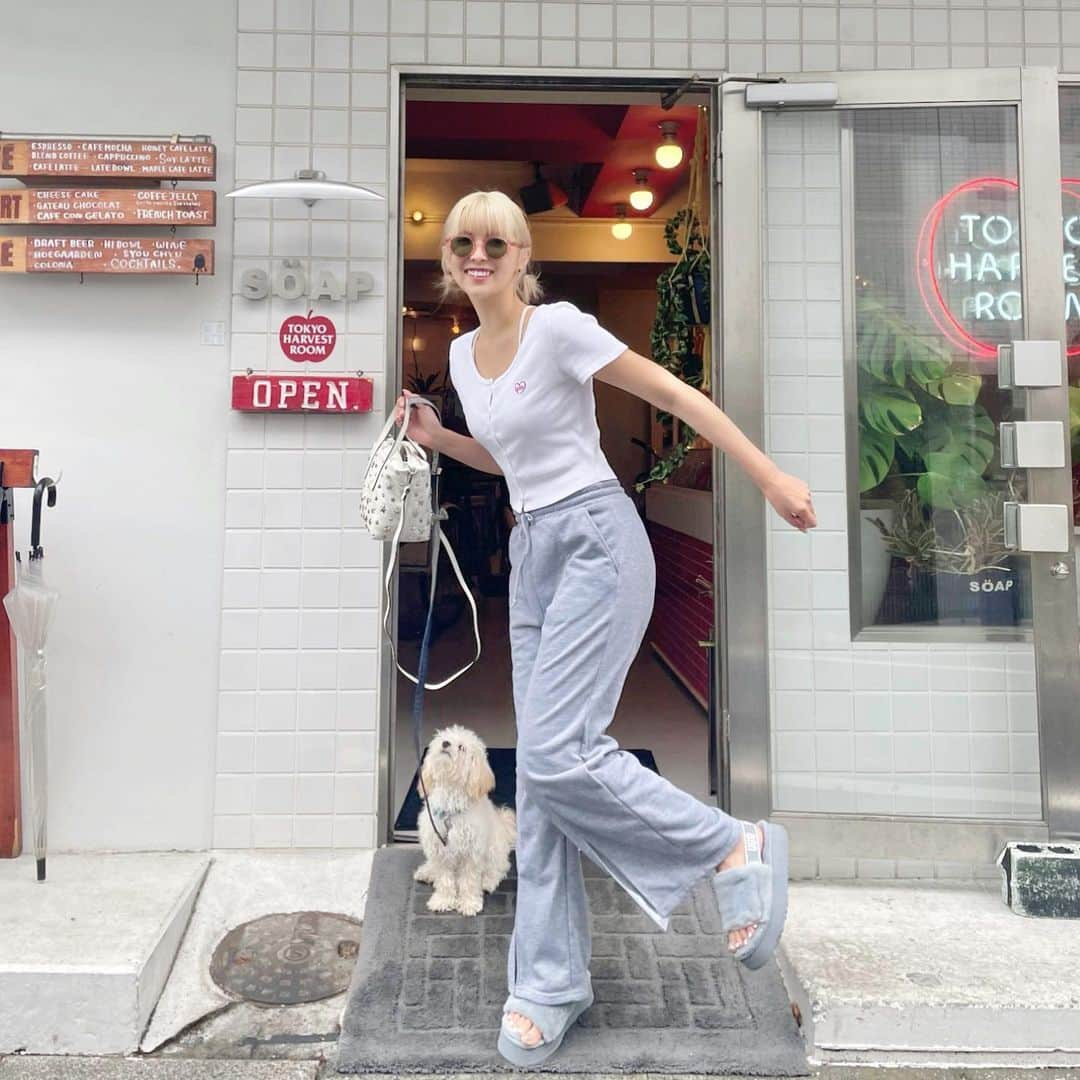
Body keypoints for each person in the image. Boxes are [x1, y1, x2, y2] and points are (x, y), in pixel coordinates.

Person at [394, 190, 817, 1067]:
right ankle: (548, 983)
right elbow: (509, 456)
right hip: (534, 552)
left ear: (522, 255)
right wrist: (441, 437)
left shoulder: (560, 329)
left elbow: (676, 394)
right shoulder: (464, 354)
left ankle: (731, 844)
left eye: (496, 242)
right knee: (546, 782)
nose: (479, 254)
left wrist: (768, 477)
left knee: (554, 754)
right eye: (463, 242)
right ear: (450, 259)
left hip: (598, 542)